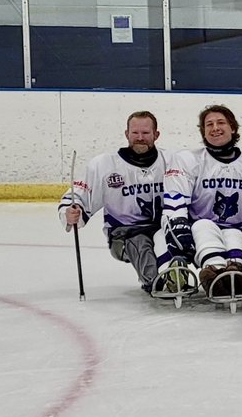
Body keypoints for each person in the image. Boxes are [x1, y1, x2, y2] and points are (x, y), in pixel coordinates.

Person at [160, 104, 242, 300]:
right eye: (209, 124)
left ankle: (235, 272)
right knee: (205, 227)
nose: (215, 128)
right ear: (203, 132)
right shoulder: (189, 159)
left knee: (234, 237)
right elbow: (175, 198)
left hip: (239, 228)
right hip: (199, 228)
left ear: (233, 128)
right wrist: (177, 225)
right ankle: (213, 271)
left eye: (221, 122)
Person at [58, 110, 168, 294]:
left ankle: (179, 276)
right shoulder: (104, 165)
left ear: (156, 135)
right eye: (135, 133)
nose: (140, 138)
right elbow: (76, 197)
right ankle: (155, 282)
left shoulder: (170, 161)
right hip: (125, 235)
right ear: (126, 134)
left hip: (161, 228)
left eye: (146, 133)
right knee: (140, 241)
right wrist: (69, 212)